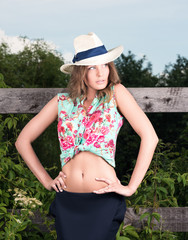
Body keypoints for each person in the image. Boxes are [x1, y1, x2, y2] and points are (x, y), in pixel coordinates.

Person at [15, 32, 159, 240]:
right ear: (80, 72)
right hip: (68, 202)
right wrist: (46, 181)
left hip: (103, 199)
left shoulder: (116, 93)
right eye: (92, 67)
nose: (101, 73)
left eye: (104, 65)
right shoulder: (61, 102)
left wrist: (130, 187)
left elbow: (150, 137)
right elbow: (23, 141)